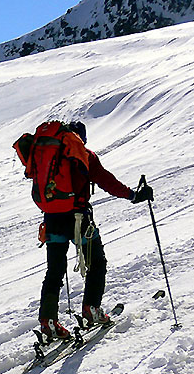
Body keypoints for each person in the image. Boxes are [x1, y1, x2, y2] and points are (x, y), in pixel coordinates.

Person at [33, 120, 152, 340]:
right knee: (97, 262)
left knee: (55, 271)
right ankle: (91, 309)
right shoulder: (84, 155)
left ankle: (48, 322)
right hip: (79, 219)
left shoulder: (48, 157)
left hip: (52, 219)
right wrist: (133, 196)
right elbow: (106, 181)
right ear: (81, 139)